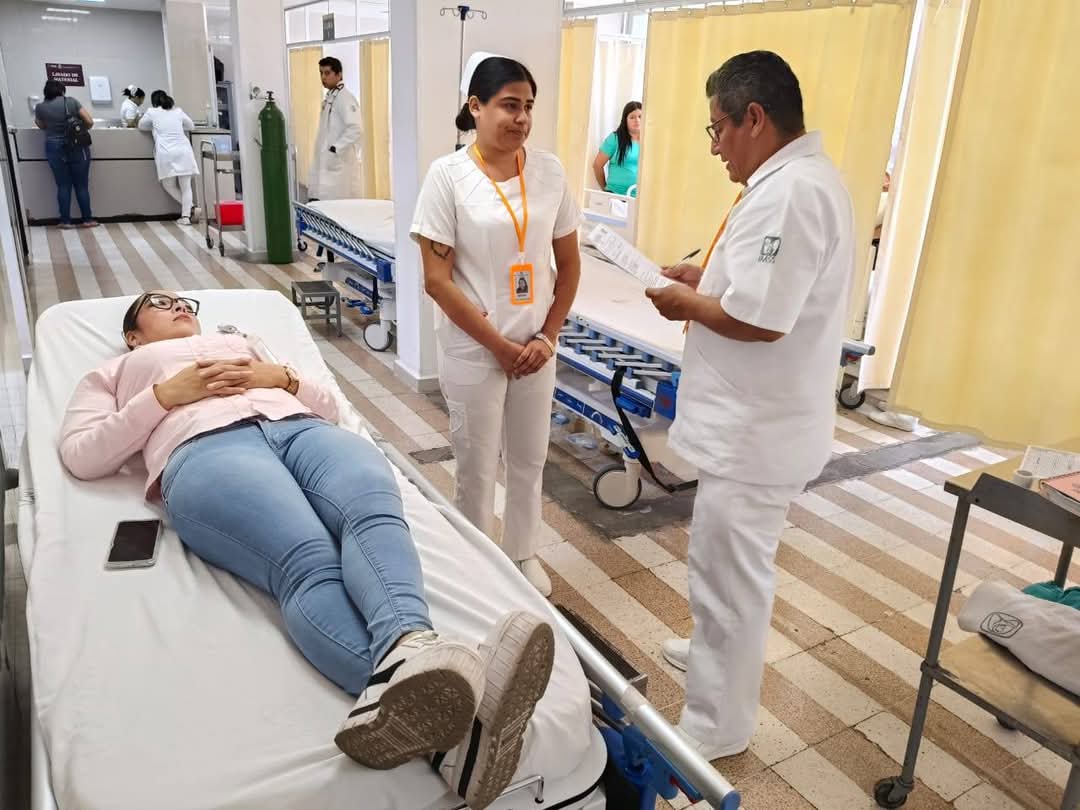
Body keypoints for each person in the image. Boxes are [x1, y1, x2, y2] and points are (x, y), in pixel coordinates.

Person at [58, 290, 555, 810]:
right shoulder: (115, 373)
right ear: (133, 337)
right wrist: (164, 395)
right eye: (159, 304)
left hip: (303, 431)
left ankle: (410, 647)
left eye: (185, 302)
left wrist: (281, 378)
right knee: (309, 560)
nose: (180, 306)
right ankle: (465, 723)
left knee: (373, 513)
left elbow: (330, 407)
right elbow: (82, 454)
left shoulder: (240, 342)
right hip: (206, 448)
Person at [644, 51, 855, 760]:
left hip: (757, 432)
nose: (715, 148)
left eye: (718, 130)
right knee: (721, 565)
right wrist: (706, 276)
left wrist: (686, 303)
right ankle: (713, 652)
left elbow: (762, 320)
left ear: (754, 118)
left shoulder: (791, 193)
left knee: (730, 579)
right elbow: (767, 284)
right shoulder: (796, 182)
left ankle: (717, 724)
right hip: (756, 424)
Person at [411, 54, 582, 598]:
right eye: (509, 105)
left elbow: (569, 265)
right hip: (475, 348)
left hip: (536, 347)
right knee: (477, 465)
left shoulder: (549, 172)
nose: (521, 118)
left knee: (530, 459)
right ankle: (477, 564)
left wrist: (547, 336)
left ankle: (523, 552)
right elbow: (437, 281)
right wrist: (500, 347)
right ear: (476, 107)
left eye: (528, 106)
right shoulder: (448, 176)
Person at [34, 80, 97, 229]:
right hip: (76, 146)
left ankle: (65, 221)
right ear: (62, 90)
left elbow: (41, 125)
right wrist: (78, 128)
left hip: (53, 147)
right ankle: (87, 220)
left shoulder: (40, 107)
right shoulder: (71, 102)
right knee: (81, 186)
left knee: (62, 185)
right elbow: (89, 121)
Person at [139, 91, 200, 225]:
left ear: (154, 102)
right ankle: (186, 215)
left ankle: (191, 209)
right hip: (183, 150)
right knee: (186, 186)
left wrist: (154, 126)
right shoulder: (178, 111)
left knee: (168, 185)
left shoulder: (152, 112)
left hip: (166, 153)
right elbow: (191, 126)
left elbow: (141, 126)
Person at [308, 55, 362, 201]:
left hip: (338, 164)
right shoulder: (331, 97)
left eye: (327, 73)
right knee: (324, 202)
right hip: (328, 163)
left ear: (339, 75)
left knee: (338, 204)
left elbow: (356, 128)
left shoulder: (345, 98)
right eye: (321, 73)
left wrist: (335, 149)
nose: (323, 77)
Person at [592, 101, 642, 197]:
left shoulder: (649, 143)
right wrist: (605, 189)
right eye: (632, 117)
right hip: (615, 195)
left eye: (640, 116)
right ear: (625, 120)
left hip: (639, 198)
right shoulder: (615, 138)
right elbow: (597, 165)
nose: (637, 120)